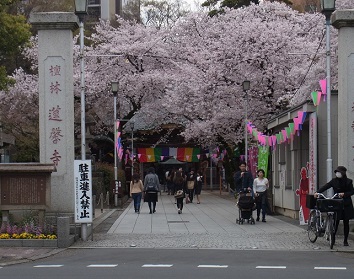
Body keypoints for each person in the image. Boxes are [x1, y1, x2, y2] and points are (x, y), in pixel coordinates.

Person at [314, 166, 354, 246]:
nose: (337, 174)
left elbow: (352, 191)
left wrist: (344, 194)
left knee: (346, 222)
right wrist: (317, 192)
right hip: (337, 203)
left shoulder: (349, 181)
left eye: (339, 172)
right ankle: (333, 238)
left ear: (343, 173)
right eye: (336, 172)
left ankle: (345, 240)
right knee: (336, 221)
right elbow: (326, 186)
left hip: (346, 204)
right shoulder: (334, 181)